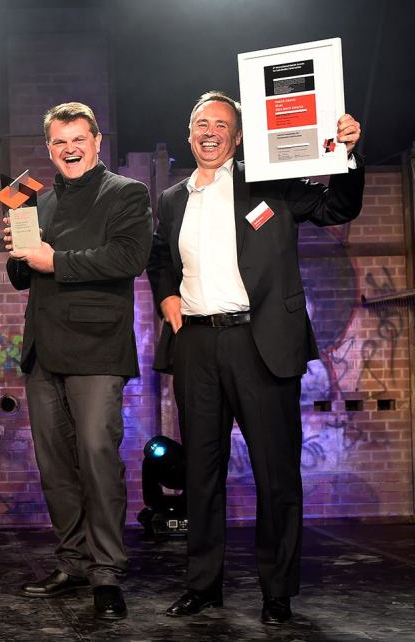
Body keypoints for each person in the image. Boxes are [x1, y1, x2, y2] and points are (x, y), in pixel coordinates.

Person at [147, 91, 364, 624]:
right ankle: (203, 585)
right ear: (189, 133)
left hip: (260, 341)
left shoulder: (270, 183)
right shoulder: (172, 198)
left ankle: (277, 592)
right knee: (200, 473)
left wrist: (349, 154)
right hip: (196, 344)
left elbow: (338, 206)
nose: (210, 131)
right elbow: (159, 257)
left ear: (238, 136)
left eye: (221, 124)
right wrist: (167, 297)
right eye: (201, 123)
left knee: (276, 474)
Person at [4, 102, 152, 620]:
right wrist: (18, 255)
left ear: (96, 140)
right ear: (49, 149)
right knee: (56, 466)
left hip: (96, 348)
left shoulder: (126, 193)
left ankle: (107, 571)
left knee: (96, 455)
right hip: (43, 350)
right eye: (59, 142)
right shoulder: (36, 201)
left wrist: (54, 260)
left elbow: (129, 258)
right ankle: (72, 559)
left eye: (78, 139)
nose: (69, 149)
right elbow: (24, 275)